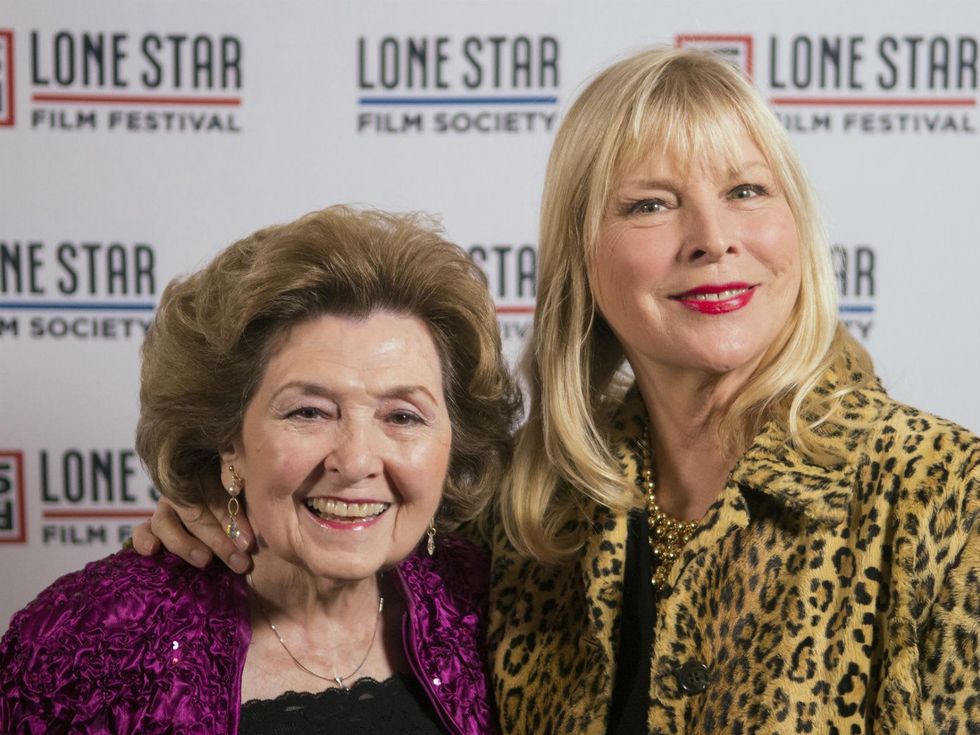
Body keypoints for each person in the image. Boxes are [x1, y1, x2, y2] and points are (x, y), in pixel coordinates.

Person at [135, 48, 979, 734]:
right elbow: (343, 530)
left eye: (747, 191)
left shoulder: (943, 493)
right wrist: (209, 521)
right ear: (583, 255)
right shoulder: (532, 517)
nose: (713, 239)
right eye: (651, 204)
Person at [0, 206, 521, 734]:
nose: (358, 460)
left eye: (404, 416)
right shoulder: (89, 647)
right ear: (229, 441)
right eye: (309, 412)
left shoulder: (497, 610)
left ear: (453, 443)